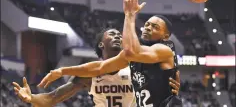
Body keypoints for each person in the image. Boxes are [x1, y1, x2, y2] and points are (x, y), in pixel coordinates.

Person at [38, 0, 182, 107]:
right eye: (147, 25)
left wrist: (130, 15)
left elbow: (130, 51)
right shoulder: (137, 55)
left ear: (166, 36)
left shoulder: (163, 49)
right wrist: (62, 71)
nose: (148, 28)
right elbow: (99, 68)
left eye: (155, 27)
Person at [13, 28, 180, 107]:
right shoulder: (87, 75)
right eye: (112, 34)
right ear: (101, 43)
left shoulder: (137, 66)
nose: (118, 36)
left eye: (120, 35)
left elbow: (164, 84)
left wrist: (172, 86)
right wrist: (31, 98)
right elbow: (52, 98)